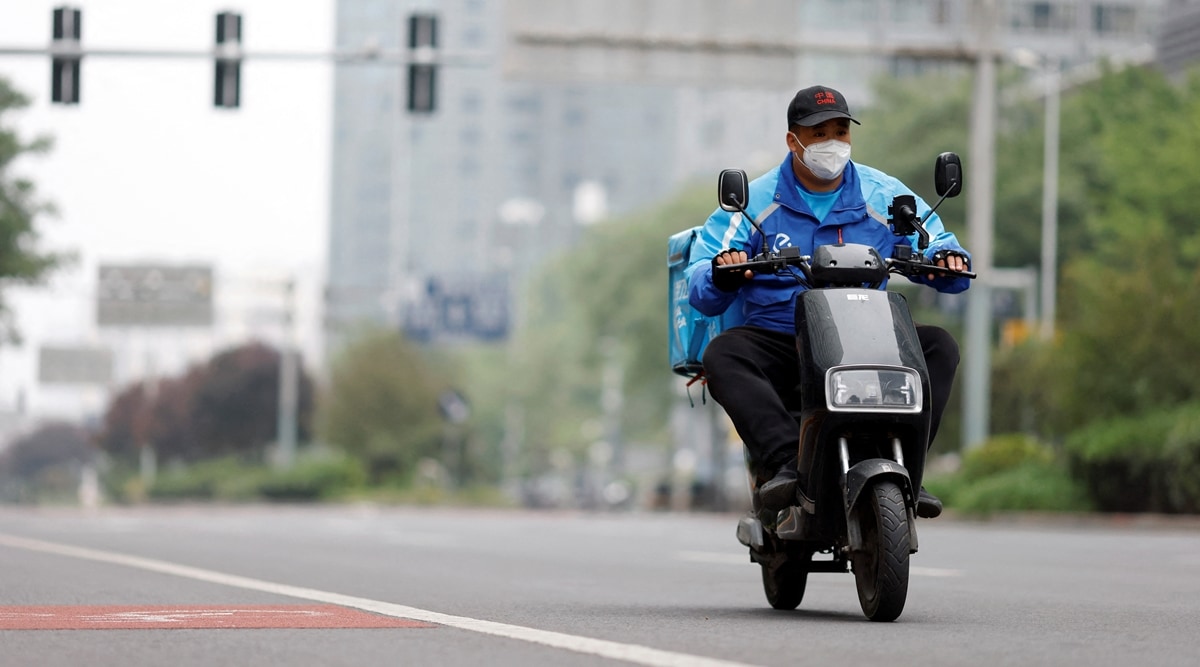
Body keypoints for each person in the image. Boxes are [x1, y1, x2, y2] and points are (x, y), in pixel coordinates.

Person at [686, 84, 971, 518]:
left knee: (940, 346)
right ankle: (785, 464)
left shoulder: (885, 196)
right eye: (818, 134)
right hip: (781, 341)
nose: (831, 143)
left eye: (840, 131)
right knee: (723, 353)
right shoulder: (753, 203)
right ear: (793, 140)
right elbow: (701, 280)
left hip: (866, 340)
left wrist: (946, 259)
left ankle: (908, 466)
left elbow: (938, 244)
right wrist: (725, 269)